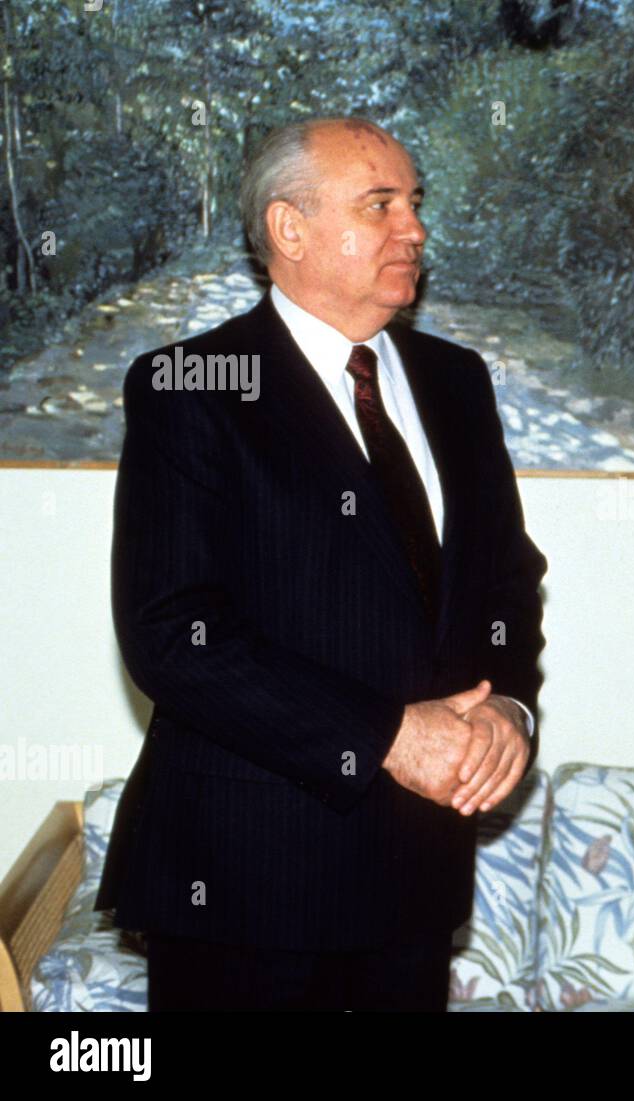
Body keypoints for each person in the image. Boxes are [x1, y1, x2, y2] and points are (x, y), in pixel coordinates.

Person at [95, 117, 547, 1011]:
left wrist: (508, 705)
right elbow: (174, 634)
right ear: (288, 229)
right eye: (380, 205)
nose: (414, 228)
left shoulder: (456, 380)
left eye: (414, 203)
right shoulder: (192, 385)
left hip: (415, 882)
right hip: (244, 886)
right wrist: (390, 735)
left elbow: (505, 580)